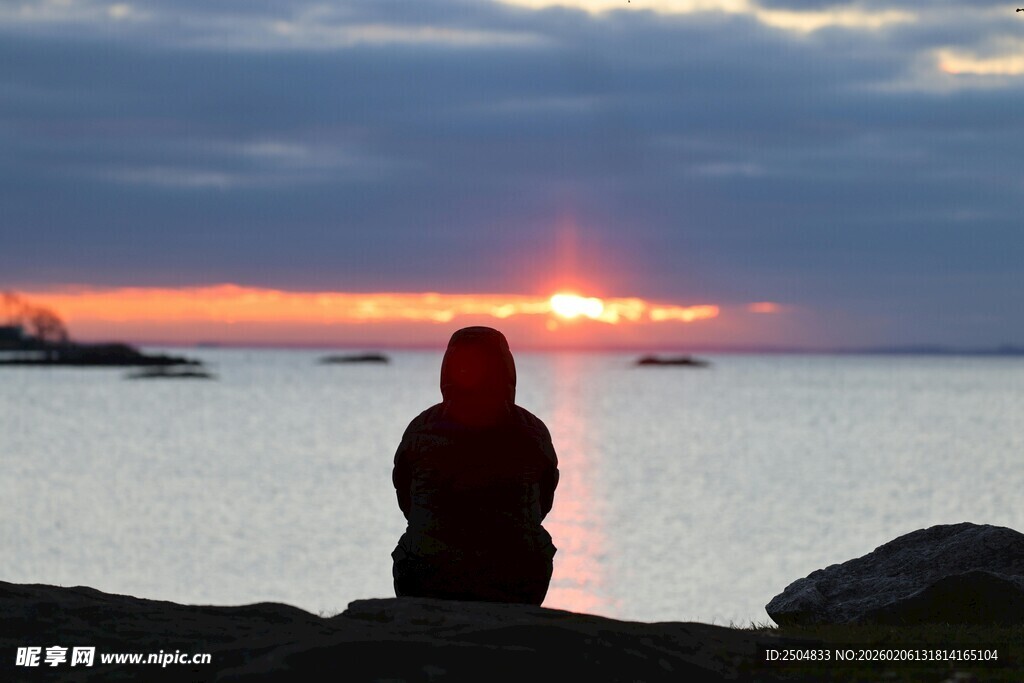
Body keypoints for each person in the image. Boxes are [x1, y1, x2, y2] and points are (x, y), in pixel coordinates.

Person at [391, 326, 559, 605]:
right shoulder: (533, 432)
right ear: (507, 370)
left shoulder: (420, 429)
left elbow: (406, 501)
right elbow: (544, 502)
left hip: (427, 579)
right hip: (517, 581)